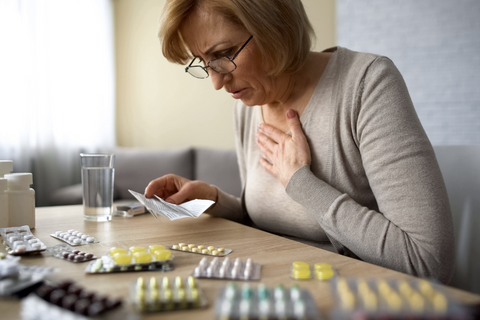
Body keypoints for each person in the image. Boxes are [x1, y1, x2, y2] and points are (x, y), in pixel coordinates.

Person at [145, 0, 455, 283]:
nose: (216, 82)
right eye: (203, 61)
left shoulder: (367, 84)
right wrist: (212, 199)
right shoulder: (247, 106)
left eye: (223, 55)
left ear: (273, 29)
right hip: (278, 287)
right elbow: (273, 224)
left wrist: (302, 184)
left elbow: (428, 261)